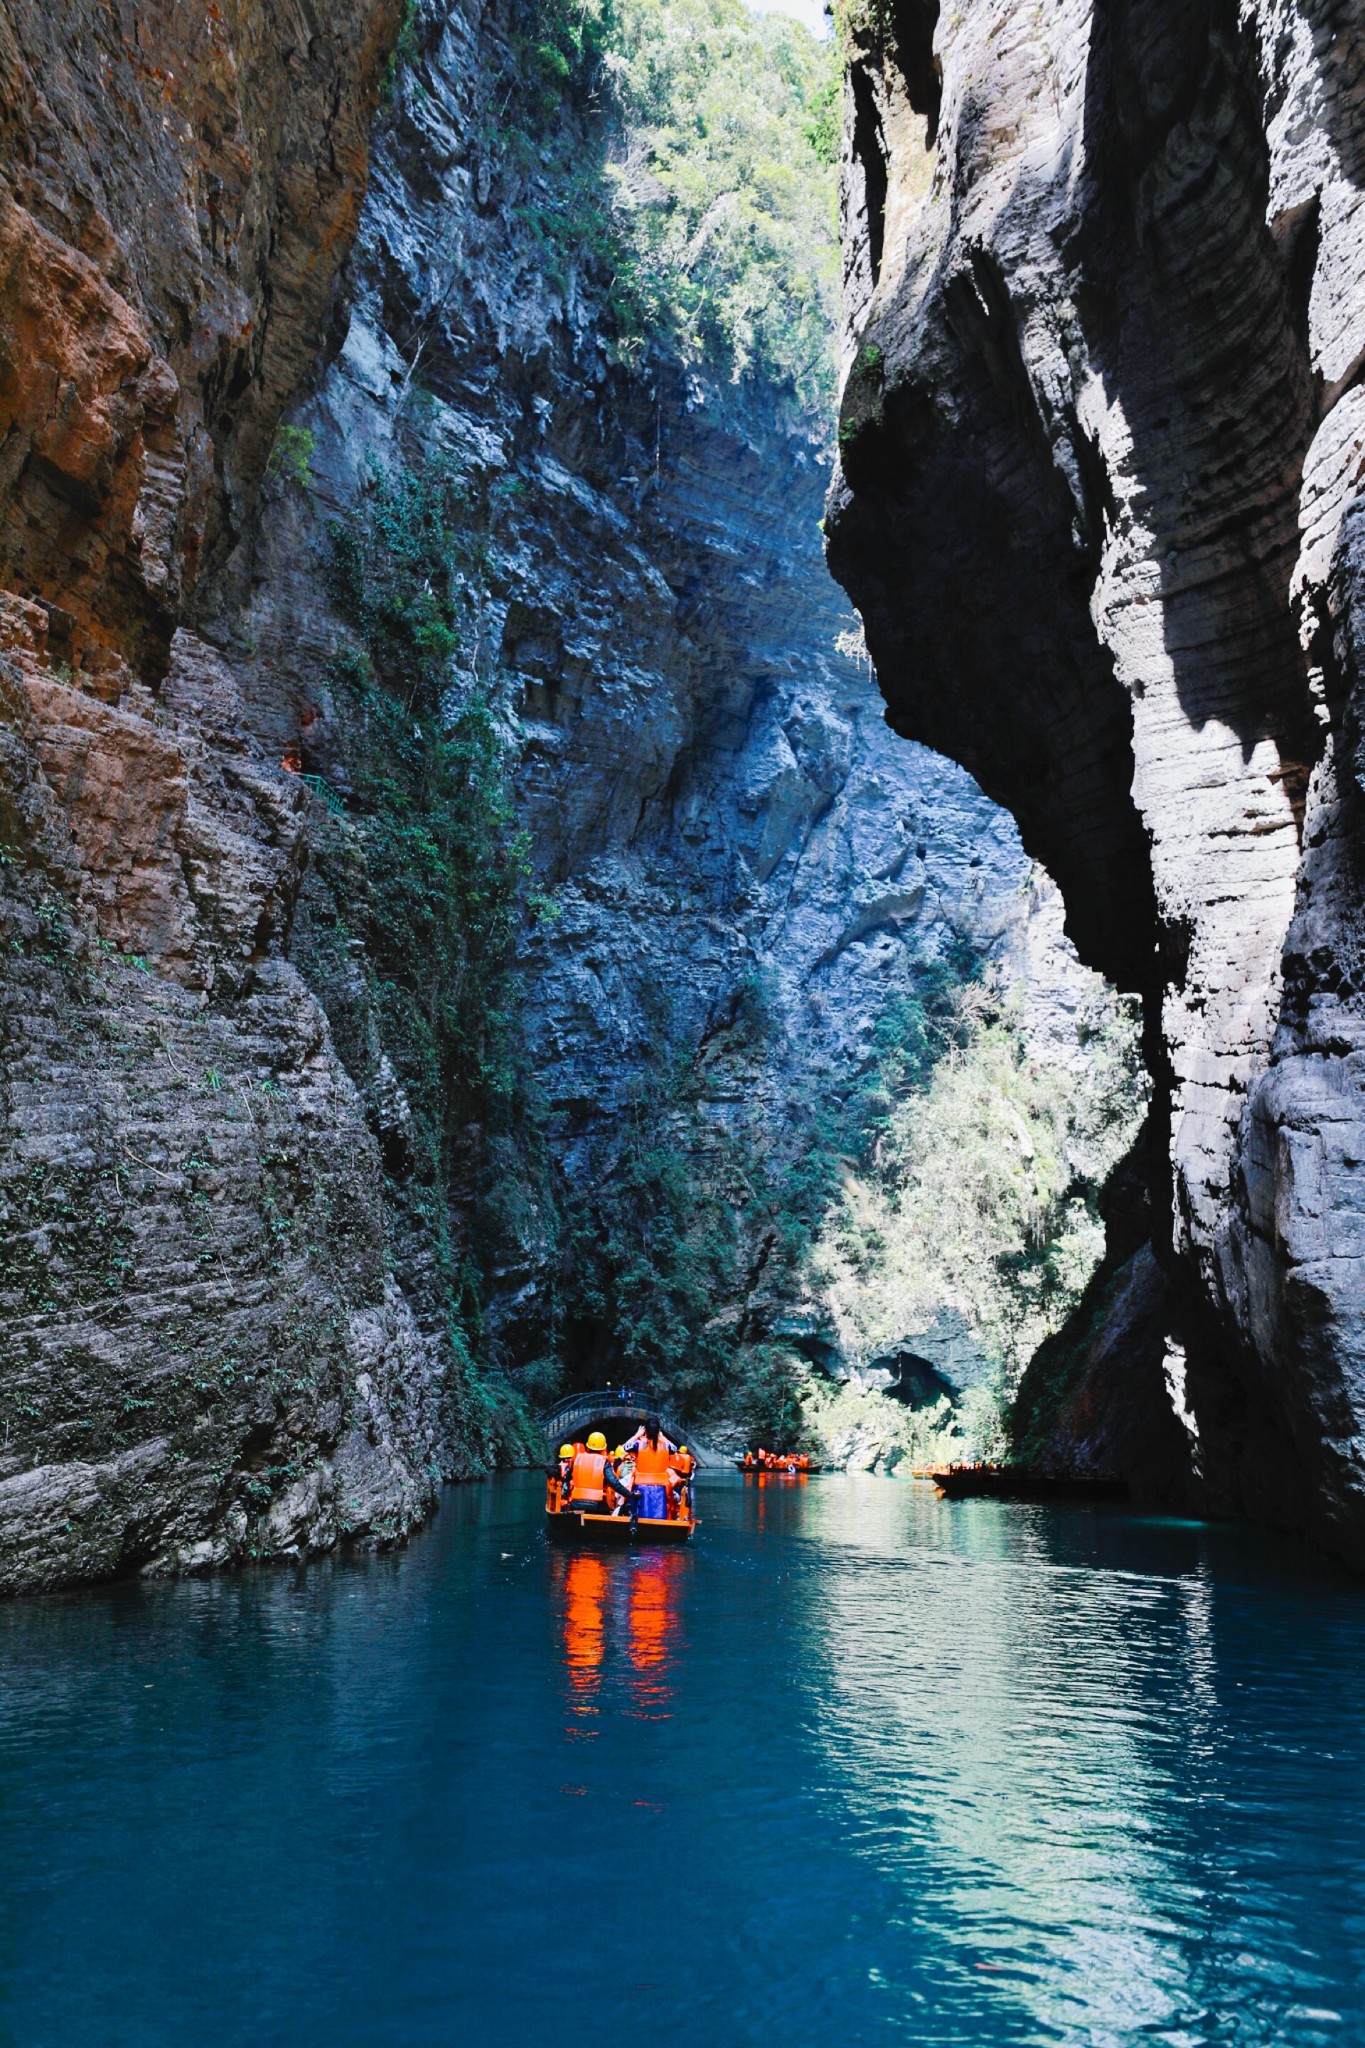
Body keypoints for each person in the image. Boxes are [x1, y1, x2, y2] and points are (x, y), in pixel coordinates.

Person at [565, 1431, 633, 1515]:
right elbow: (614, 1483)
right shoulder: (604, 1462)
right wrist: (629, 1494)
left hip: (575, 1503)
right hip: (595, 1505)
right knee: (607, 1511)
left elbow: (567, 1479)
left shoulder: (577, 1459)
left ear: (587, 1447)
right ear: (603, 1449)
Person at [631, 1416, 677, 1522]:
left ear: (645, 1431)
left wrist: (636, 1435)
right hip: (660, 1487)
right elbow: (675, 1449)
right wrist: (663, 1437)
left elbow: (623, 1447)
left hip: (641, 1485)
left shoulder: (638, 1444)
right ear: (658, 1431)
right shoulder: (666, 1445)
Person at [673, 1445, 696, 1519]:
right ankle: (685, 1513)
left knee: (677, 1492)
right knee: (685, 1495)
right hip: (686, 1478)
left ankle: (677, 1508)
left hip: (679, 1477)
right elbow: (692, 1467)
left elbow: (674, 1467)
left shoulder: (678, 1456)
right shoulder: (690, 1458)